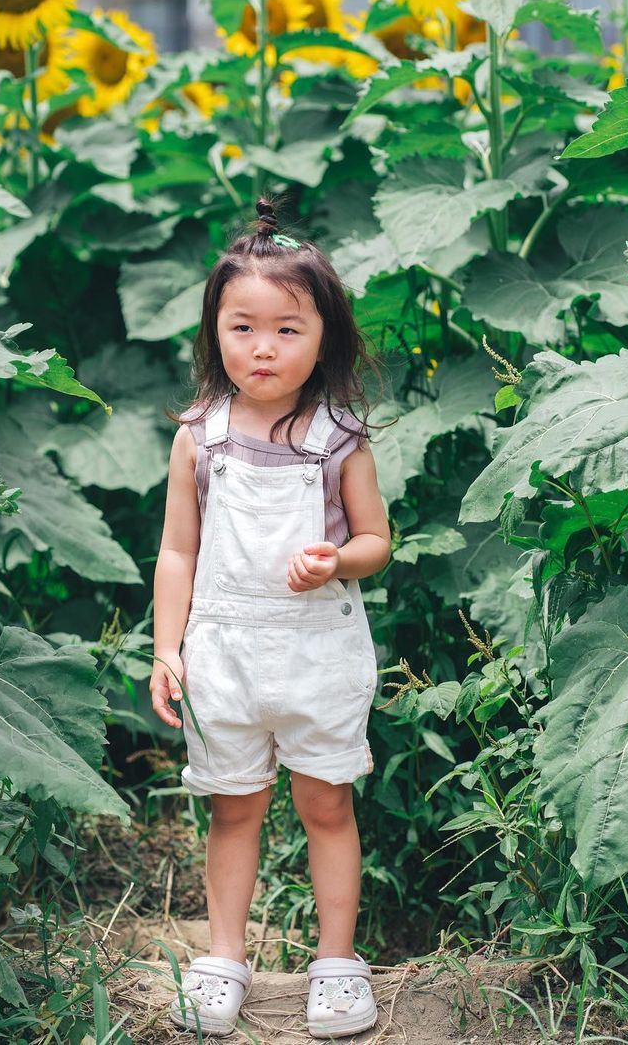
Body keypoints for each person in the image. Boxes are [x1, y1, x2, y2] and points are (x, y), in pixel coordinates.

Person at [150, 197, 391, 1038]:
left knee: (326, 804)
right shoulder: (199, 435)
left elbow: (376, 541)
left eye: (288, 330)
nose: (263, 347)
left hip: (317, 649)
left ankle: (335, 963)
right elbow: (179, 550)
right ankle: (223, 961)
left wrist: (338, 559)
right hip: (223, 652)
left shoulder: (337, 437)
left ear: (325, 337)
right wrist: (165, 646)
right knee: (233, 808)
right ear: (214, 331)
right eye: (242, 327)